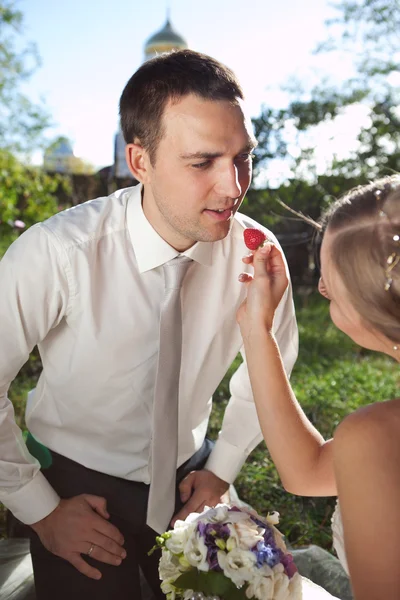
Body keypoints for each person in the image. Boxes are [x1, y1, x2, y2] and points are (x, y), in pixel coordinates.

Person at [0, 50, 298, 600]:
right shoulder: (57, 252)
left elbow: (270, 370)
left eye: (243, 158)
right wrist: (41, 511)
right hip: (75, 482)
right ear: (139, 161)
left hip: (194, 477)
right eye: (202, 162)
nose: (234, 186)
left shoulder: (255, 252)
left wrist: (222, 467)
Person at [237, 174, 400, 600]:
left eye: (327, 282)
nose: (321, 287)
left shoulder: (378, 435)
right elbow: (307, 470)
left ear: (370, 307)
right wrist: (256, 330)